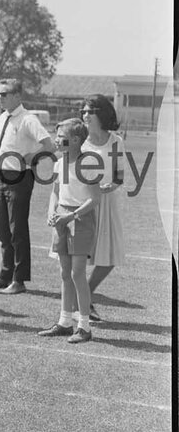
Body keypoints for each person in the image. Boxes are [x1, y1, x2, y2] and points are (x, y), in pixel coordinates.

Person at [0, 78, 54, 295]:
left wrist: (33, 155)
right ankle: (5, 275)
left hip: (20, 177)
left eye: (4, 94)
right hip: (1, 177)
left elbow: (49, 144)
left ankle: (19, 280)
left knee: (17, 229)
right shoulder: (3, 117)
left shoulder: (28, 119)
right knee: (3, 228)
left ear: (17, 96)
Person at [38, 118, 100, 343]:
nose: (56, 140)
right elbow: (56, 191)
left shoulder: (89, 163)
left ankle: (84, 326)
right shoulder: (59, 162)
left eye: (61, 136)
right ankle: (64, 322)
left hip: (79, 219)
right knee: (65, 273)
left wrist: (70, 216)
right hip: (62, 218)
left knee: (77, 273)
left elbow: (95, 199)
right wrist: (51, 211)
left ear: (75, 140)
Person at [79, 94, 126, 322]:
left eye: (90, 111)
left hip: (107, 204)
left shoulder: (115, 141)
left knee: (109, 258)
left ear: (102, 113)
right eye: (84, 111)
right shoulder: (78, 140)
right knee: (76, 257)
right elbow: (67, 172)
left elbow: (119, 176)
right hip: (81, 203)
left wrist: (112, 185)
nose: (85, 115)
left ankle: (85, 295)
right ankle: (77, 308)